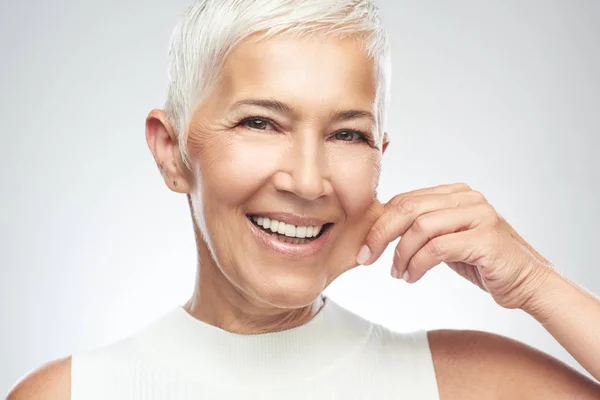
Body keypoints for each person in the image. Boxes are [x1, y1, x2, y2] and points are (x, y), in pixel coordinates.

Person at [7, 0, 600, 398]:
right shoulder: (71, 394)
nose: (309, 181)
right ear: (171, 152)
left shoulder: (464, 384)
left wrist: (536, 284)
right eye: (261, 123)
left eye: (347, 134)